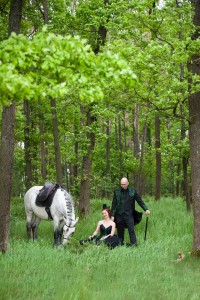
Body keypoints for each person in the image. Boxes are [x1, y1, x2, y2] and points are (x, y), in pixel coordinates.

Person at [111, 177, 150, 246]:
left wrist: (146, 209)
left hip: (129, 215)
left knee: (131, 230)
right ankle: (120, 244)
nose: (123, 186)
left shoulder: (132, 192)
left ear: (128, 183)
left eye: (124, 184)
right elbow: (114, 204)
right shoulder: (116, 192)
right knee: (120, 231)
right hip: (119, 215)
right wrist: (112, 215)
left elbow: (139, 201)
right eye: (121, 184)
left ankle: (134, 245)